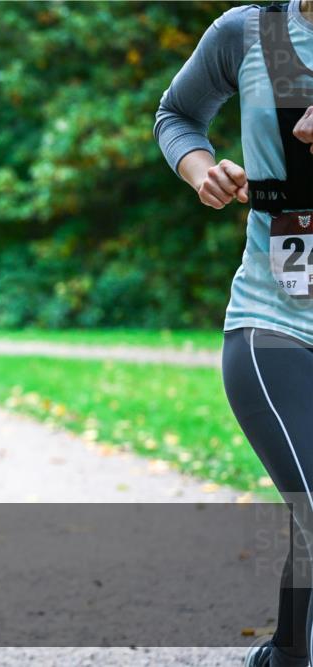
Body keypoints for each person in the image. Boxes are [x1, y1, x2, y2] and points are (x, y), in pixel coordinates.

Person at [155, 3, 312, 665]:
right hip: (275, 321)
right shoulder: (254, 32)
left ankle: (285, 655)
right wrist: (203, 171)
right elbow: (177, 115)